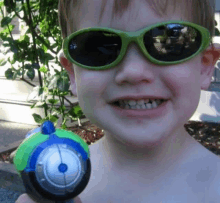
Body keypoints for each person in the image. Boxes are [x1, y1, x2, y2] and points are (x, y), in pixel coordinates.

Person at [15, 0, 220, 202]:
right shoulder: (56, 183)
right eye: (97, 47)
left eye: (169, 42)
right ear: (72, 73)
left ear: (204, 65)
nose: (133, 72)